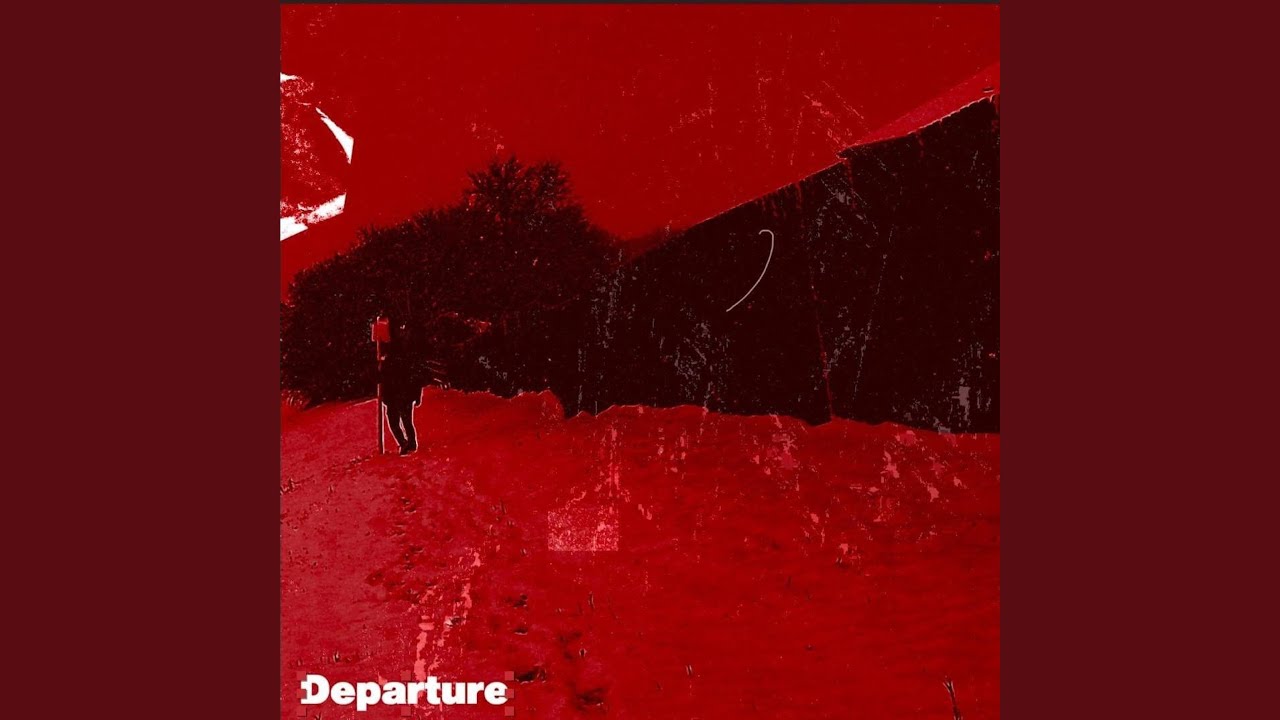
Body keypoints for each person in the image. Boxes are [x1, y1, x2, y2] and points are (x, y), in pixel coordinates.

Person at [379, 329, 423, 455]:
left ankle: (406, 443)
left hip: (397, 395)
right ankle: (409, 444)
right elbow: (416, 379)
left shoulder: (391, 362)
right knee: (405, 420)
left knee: (397, 421)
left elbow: (382, 378)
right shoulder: (407, 359)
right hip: (401, 395)